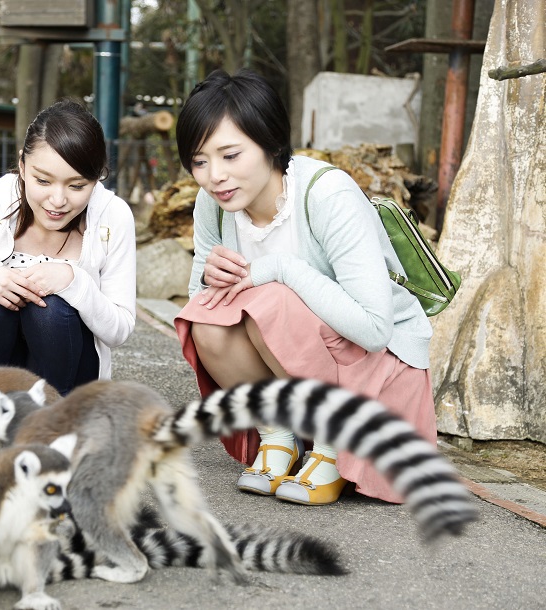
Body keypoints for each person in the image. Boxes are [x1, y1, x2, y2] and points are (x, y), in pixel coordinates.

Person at [173, 69, 436, 506]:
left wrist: (278, 268)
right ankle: (278, 436)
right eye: (200, 161)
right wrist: (208, 277)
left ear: (272, 143)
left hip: (377, 370)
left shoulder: (326, 194)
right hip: (306, 365)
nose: (214, 176)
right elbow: (200, 303)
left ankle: (334, 445)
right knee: (209, 321)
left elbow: (374, 329)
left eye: (231, 155)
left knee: (270, 300)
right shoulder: (214, 204)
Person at [0, 99, 137, 395]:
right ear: (22, 165)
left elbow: (119, 330)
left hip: (68, 382)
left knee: (51, 309)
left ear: (97, 178)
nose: (57, 200)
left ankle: (51, 428)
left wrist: (74, 282)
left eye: (76, 186)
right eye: (43, 180)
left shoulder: (113, 215)